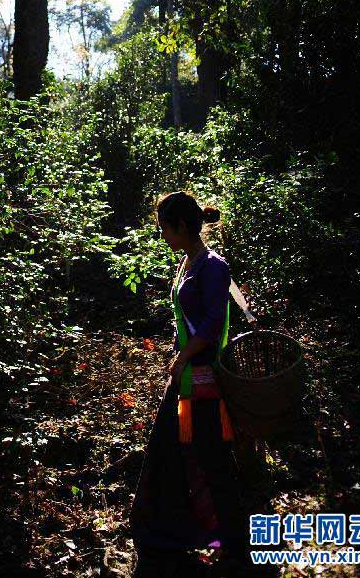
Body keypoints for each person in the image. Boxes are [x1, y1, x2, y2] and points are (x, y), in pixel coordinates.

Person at [129, 190, 250, 577]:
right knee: (172, 451)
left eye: (165, 228)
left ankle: (233, 543)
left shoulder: (214, 267)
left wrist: (182, 358)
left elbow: (213, 325)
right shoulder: (189, 261)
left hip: (204, 377)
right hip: (185, 374)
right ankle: (171, 535)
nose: (162, 235)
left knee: (212, 458)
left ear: (181, 226)